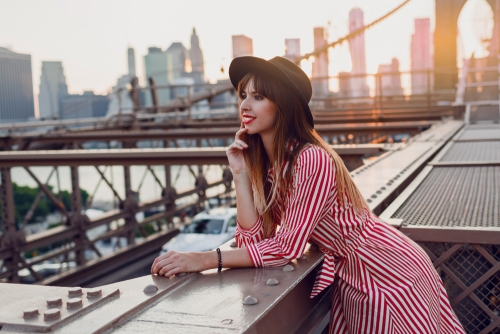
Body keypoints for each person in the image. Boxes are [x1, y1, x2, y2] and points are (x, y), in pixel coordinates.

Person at [151, 56, 465, 333]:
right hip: (354, 275)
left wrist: (203, 259)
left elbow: (285, 248)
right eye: (243, 95)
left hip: (387, 270)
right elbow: (254, 245)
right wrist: (240, 174)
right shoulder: (273, 169)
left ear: (282, 104)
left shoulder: (310, 158)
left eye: (258, 96)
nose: (244, 105)